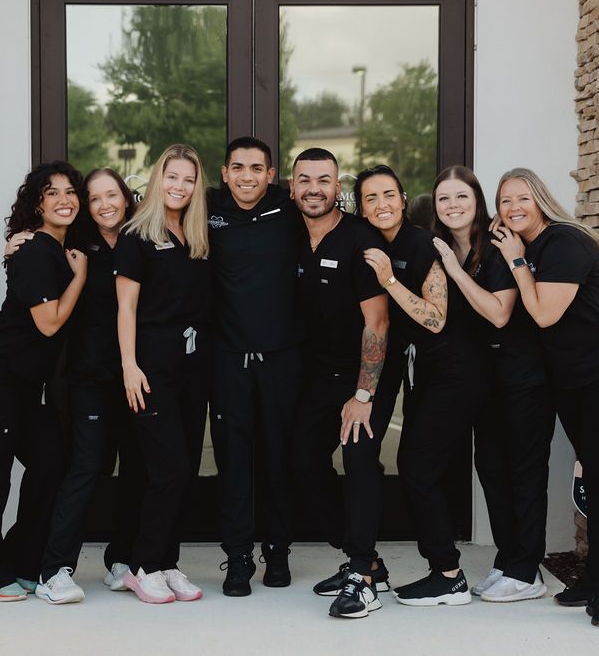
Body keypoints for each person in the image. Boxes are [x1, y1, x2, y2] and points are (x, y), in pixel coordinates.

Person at [490, 168, 599, 628]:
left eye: (522, 198)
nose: (513, 208)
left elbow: (544, 314)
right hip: (578, 376)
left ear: (541, 199)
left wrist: (516, 262)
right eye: (505, 201)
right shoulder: (534, 247)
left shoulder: (563, 242)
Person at [2, 168, 144, 605]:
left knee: (137, 467)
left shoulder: (143, 239)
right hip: (88, 377)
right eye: (95, 197)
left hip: (135, 376)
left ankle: (122, 561)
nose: (105, 204)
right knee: (86, 466)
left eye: (112, 195)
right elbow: (37, 254)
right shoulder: (76, 244)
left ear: (126, 197)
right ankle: (55, 569)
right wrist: (14, 244)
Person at [0, 161, 87, 601]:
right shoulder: (35, 251)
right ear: (38, 203)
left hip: (26, 383)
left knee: (51, 462)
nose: (64, 199)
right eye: (52, 193)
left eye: (71, 191)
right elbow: (49, 324)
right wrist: (82, 279)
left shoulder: (57, 249)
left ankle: (20, 559)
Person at [361, 164, 487, 608]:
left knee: (416, 468)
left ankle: (448, 575)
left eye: (389, 195)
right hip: (425, 374)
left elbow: (435, 319)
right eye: (371, 198)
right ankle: (442, 570)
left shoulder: (422, 245)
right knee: (420, 468)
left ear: (403, 198)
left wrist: (389, 281)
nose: (381, 205)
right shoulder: (376, 243)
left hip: (455, 372)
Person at [430, 165, 555, 603]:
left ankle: (528, 571)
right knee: (492, 471)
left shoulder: (499, 244)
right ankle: (509, 561)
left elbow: (500, 313)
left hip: (523, 376)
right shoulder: (445, 248)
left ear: (477, 201)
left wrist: (454, 270)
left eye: (461, 197)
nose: (453, 206)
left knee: (524, 472)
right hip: (485, 380)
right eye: (444, 198)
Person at [289, 149, 400, 619]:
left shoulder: (360, 239)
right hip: (316, 373)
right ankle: (365, 555)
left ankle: (361, 573)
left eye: (325, 180)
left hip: (364, 373)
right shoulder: (286, 234)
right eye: (305, 179)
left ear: (340, 188)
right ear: (291, 187)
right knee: (302, 462)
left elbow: (377, 322)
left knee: (358, 461)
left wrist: (363, 395)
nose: (314, 188)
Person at [114, 144, 212, 604]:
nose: (179, 186)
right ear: (158, 180)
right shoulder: (136, 234)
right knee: (166, 469)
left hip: (191, 370)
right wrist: (129, 366)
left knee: (186, 468)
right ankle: (143, 565)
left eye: (188, 180)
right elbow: (126, 307)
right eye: (172, 177)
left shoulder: (194, 234)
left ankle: (168, 563)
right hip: (150, 369)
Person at [208, 137, 305, 596]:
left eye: (257, 168)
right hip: (227, 360)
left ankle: (278, 552)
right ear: (224, 173)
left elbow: (353, 224)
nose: (247, 176)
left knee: (277, 459)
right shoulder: (204, 212)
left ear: (272, 175)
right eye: (238, 167)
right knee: (234, 462)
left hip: (282, 358)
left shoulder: (291, 211)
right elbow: (144, 223)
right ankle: (239, 558)